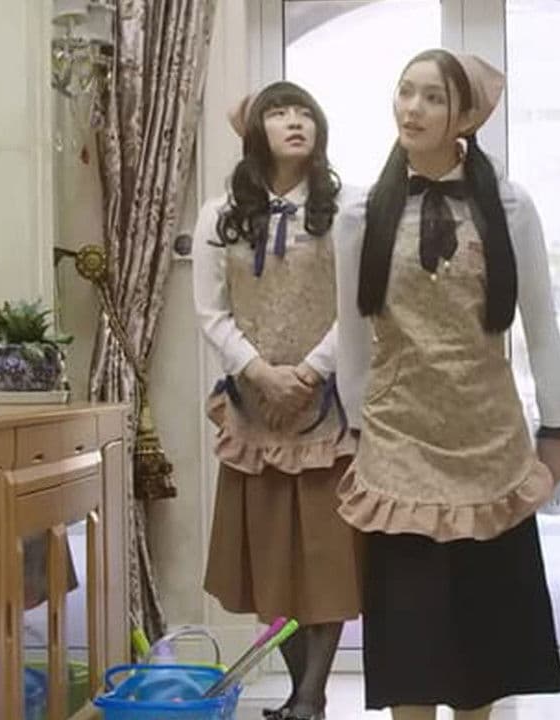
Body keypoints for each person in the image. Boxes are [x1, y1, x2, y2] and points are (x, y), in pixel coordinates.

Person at [334, 49, 560, 720]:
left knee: (482, 648)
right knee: (409, 649)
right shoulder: (360, 215)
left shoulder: (509, 206)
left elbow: (541, 325)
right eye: (405, 92)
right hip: (397, 444)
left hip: (488, 443)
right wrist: (355, 434)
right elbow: (352, 338)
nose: (412, 108)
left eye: (433, 97)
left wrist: (556, 426)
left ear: (464, 116)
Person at [193, 80, 361, 720]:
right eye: (280, 113)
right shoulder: (219, 214)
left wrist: (311, 372)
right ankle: (301, 697)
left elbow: (358, 307)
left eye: (305, 113)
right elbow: (211, 312)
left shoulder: (346, 210)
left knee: (328, 558)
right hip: (253, 407)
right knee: (271, 561)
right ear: (254, 132)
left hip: (327, 408)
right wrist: (260, 372)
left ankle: (311, 697)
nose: (296, 122)